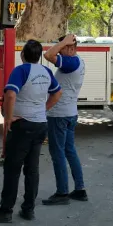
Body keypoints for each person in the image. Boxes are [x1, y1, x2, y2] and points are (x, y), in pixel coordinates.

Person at [0, 40, 62, 223]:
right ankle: (28, 209)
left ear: (23, 55)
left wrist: (9, 118)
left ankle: (5, 210)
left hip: (23, 125)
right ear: (38, 55)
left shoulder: (20, 71)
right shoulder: (46, 72)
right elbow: (57, 93)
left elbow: (11, 94)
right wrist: (43, 109)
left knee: (12, 168)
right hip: (40, 125)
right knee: (32, 169)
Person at [42, 34, 88, 205]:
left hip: (59, 115)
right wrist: (64, 43)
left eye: (62, 48)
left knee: (58, 153)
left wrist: (63, 42)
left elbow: (48, 55)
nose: (59, 51)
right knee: (69, 151)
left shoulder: (71, 62)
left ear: (70, 48)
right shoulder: (78, 61)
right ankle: (79, 189)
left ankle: (62, 193)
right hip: (69, 113)